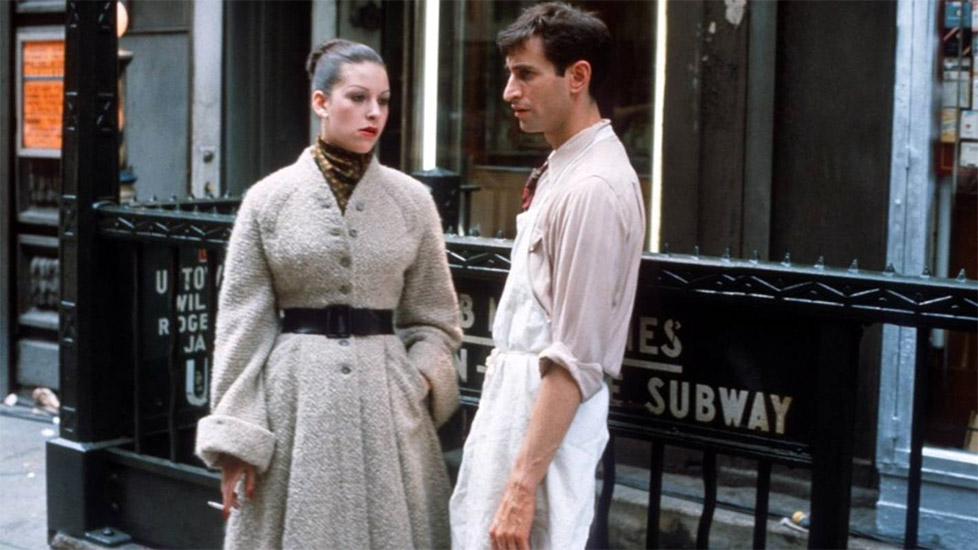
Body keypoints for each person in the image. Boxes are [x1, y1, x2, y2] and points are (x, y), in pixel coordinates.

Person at [195, 38, 462, 549]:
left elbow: (435, 318)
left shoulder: (412, 201)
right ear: (321, 102)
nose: (374, 112)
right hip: (293, 405)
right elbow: (241, 326)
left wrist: (415, 381)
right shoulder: (268, 199)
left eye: (383, 100)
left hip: (389, 407)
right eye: (357, 98)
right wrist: (237, 439)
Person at [449, 3, 645, 549]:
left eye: (526, 74)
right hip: (515, 413)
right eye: (510, 74)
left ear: (577, 76)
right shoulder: (565, 168)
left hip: (543, 431)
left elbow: (575, 358)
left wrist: (520, 486)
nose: (509, 92)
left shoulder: (593, 188)